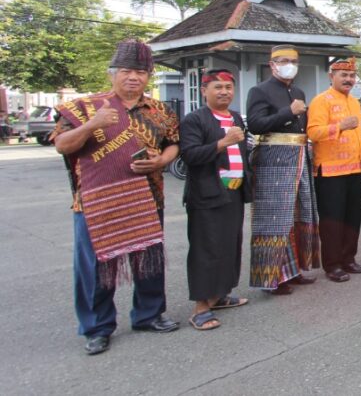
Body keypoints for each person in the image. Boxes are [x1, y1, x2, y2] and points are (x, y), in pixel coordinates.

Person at [52, 39, 181, 355]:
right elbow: (62, 144)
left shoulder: (160, 110)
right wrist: (93, 125)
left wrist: (163, 161)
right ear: (113, 74)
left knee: (149, 261)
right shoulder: (86, 108)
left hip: (148, 197)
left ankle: (149, 315)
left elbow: (173, 143)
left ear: (148, 76)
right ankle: (97, 327)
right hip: (96, 202)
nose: (133, 77)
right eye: (126, 71)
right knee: (97, 267)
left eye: (140, 72)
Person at [178, 69, 250, 331]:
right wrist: (224, 141)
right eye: (217, 87)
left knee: (229, 246)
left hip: (233, 191)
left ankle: (219, 294)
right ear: (204, 91)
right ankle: (200, 307)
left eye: (228, 87)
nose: (224, 92)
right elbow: (190, 156)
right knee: (206, 250)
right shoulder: (194, 120)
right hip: (206, 195)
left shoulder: (236, 117)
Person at [245, 45, 320, 295]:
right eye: (284, 60)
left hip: (299, 157)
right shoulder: (259, 91)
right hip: (273, 160)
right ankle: (273, 278)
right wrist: (288, 112)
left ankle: (294, 270)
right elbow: (255, 125)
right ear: (272, 64)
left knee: (300, 213)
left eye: (294, 60)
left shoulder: (297, 91)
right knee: (275, 219)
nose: (290, 64)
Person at [307, 58, 361, 282]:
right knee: (332, 220)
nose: (348, 79)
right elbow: (313, 133)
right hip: (330, 172)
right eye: (343, 75)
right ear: (331, 76)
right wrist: (340, 127)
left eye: (351, 76)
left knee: (353, 217)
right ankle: (332, 264)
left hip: (354, 169)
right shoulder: (320, 101)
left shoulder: (354, 101)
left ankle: (348, 258)